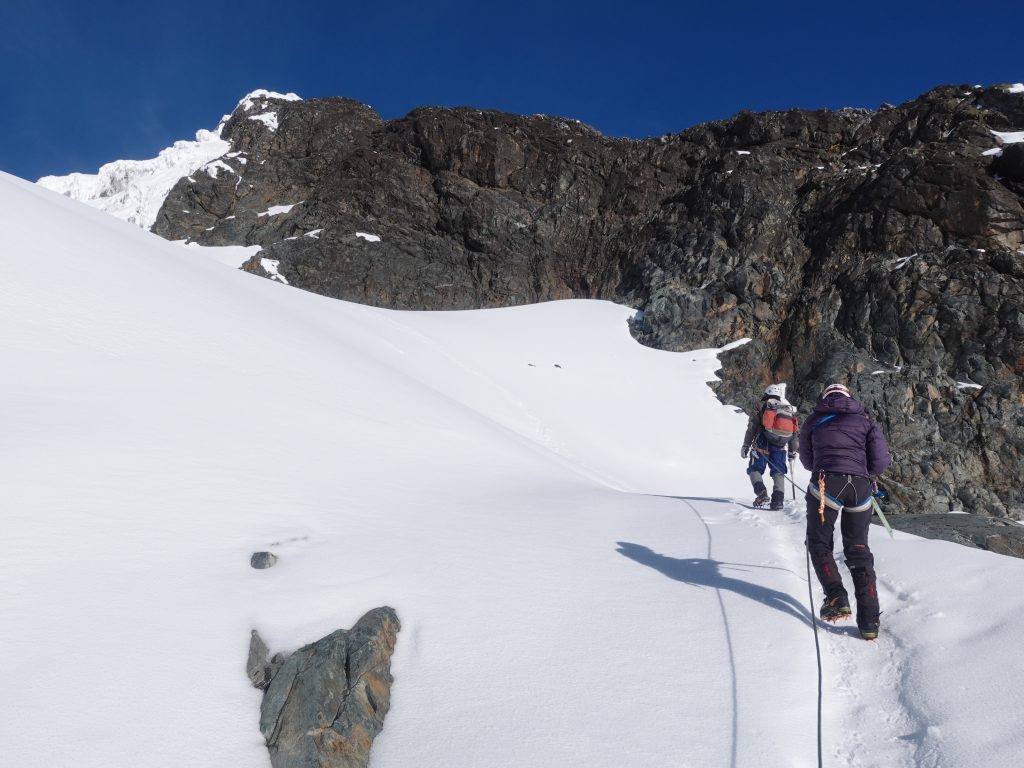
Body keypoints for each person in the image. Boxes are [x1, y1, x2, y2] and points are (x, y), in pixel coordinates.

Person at [799, 382, 891, 640]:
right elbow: (881, 462)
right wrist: (864, 472)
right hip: (860, 487)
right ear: (849, 397)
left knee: (819, 543)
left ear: (825, 397)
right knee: (858, 549)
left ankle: (836, 596)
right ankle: (870, 622)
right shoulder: (865, 421)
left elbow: (807, 461)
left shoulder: (814, 420)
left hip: (826, 483)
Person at [741, 384, 799, 510]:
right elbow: (794, 433)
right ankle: (778, 501)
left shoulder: (761, 406)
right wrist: (792, 451)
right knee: (778, 472)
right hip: (780, 446)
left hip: (762, 443)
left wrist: (746, 445)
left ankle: (761, 493)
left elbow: (752, 428)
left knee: (754, 469)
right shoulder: (788, 410)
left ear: (766, 393)